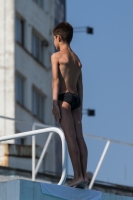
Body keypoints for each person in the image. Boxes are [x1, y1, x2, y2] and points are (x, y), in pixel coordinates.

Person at [51, 22, 88, 189]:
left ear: (58, 38)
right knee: (80, 137)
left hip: (64, 99)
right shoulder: (76, 59)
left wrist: (54, 104)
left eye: (54, 39)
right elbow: (80, 86)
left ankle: (77, 176)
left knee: (70, 137)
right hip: (76, 100)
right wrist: (80, 107)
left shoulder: (57, 57)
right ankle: (83, 176)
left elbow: (56, 80)